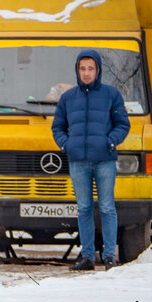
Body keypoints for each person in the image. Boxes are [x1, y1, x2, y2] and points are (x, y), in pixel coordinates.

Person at [51, 50, 131, 270]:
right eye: (82, 68)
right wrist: (67, 145)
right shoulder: (68, 98)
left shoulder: (111, 95)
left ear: (98, 70)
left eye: (90, 68)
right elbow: (57, 127)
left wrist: (110, 141)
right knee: (84, 208)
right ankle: (86, 256)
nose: (86, 73)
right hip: (78, 162)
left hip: (104, 160)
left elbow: (123, 124)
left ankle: (109, 256)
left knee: (107, 207)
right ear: (77, 70)